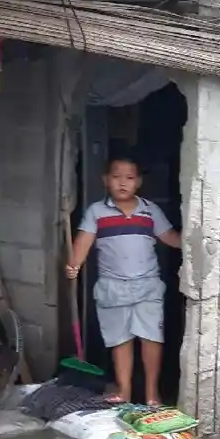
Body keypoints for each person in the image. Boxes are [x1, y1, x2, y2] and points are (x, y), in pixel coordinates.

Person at [66, 156, 180, 405]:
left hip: (148, 285)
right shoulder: (96, 211)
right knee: (121, 339)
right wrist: (74, 264)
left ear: (138, 182)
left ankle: (152, 393)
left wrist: (194, 243)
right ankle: (124, 391)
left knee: (151, 338)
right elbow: (84, 240)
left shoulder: (150, 210)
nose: (122, 183)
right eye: (116, 177)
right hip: (112, 287)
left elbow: (169, 236)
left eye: (129, 178)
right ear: (106, 180)